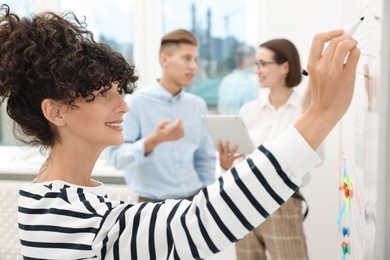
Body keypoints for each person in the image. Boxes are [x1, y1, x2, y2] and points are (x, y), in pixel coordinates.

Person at [0, 4, 360, 259]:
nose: (123, 106)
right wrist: (323, 113)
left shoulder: (65, 199)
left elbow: (197, 204)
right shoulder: (64, 213)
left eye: (118, 92)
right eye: (103, 95)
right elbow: (196, 222)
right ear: (56, 111)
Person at [218, 38, 314, 259]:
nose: (257, 70)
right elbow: (236, 163)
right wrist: (226, 164)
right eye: (256, 64)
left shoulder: (304, 113)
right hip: (243, 201)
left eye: (263, 64)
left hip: (282, 204)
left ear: (285, 67)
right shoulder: (248, 111)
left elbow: (309, 164)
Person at [109, 29, 216, 202]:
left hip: (194, 202)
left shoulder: (197, 105)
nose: (193, 66)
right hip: (151, 206)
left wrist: (206, 198)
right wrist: (152, 142)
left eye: (195, 59)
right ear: (164, 59)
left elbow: (205, 158)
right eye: (187, 58)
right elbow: (117, 158)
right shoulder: (136, 103)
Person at [217, 44, 259, 115]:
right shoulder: (251, 83)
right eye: (255, 61)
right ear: (246, 58)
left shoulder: (226, 80)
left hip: (224, 125)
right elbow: (252, 113)